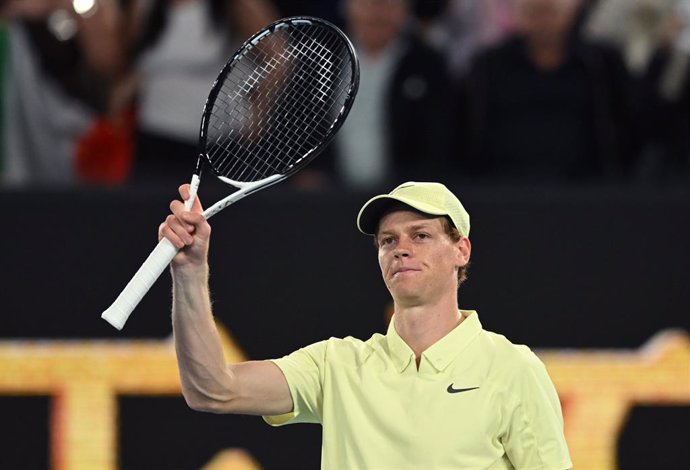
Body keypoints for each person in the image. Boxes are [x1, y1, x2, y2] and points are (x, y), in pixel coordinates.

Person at [161, 180, 573, 469]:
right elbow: (212, 389)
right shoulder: (337, 365)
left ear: (461, 250)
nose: (401, 249)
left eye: (421, 236)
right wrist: (191, 271)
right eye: (388, 240)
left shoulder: (512, 369)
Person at [457, 0, 634, 181]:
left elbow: (626, 125)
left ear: (570, 14)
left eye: (550, 12)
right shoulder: (488, 66)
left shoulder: (599, 64)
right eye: (534, 13)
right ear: (519, 16)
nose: (543, 22)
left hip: (587, 189)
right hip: (500, 188)